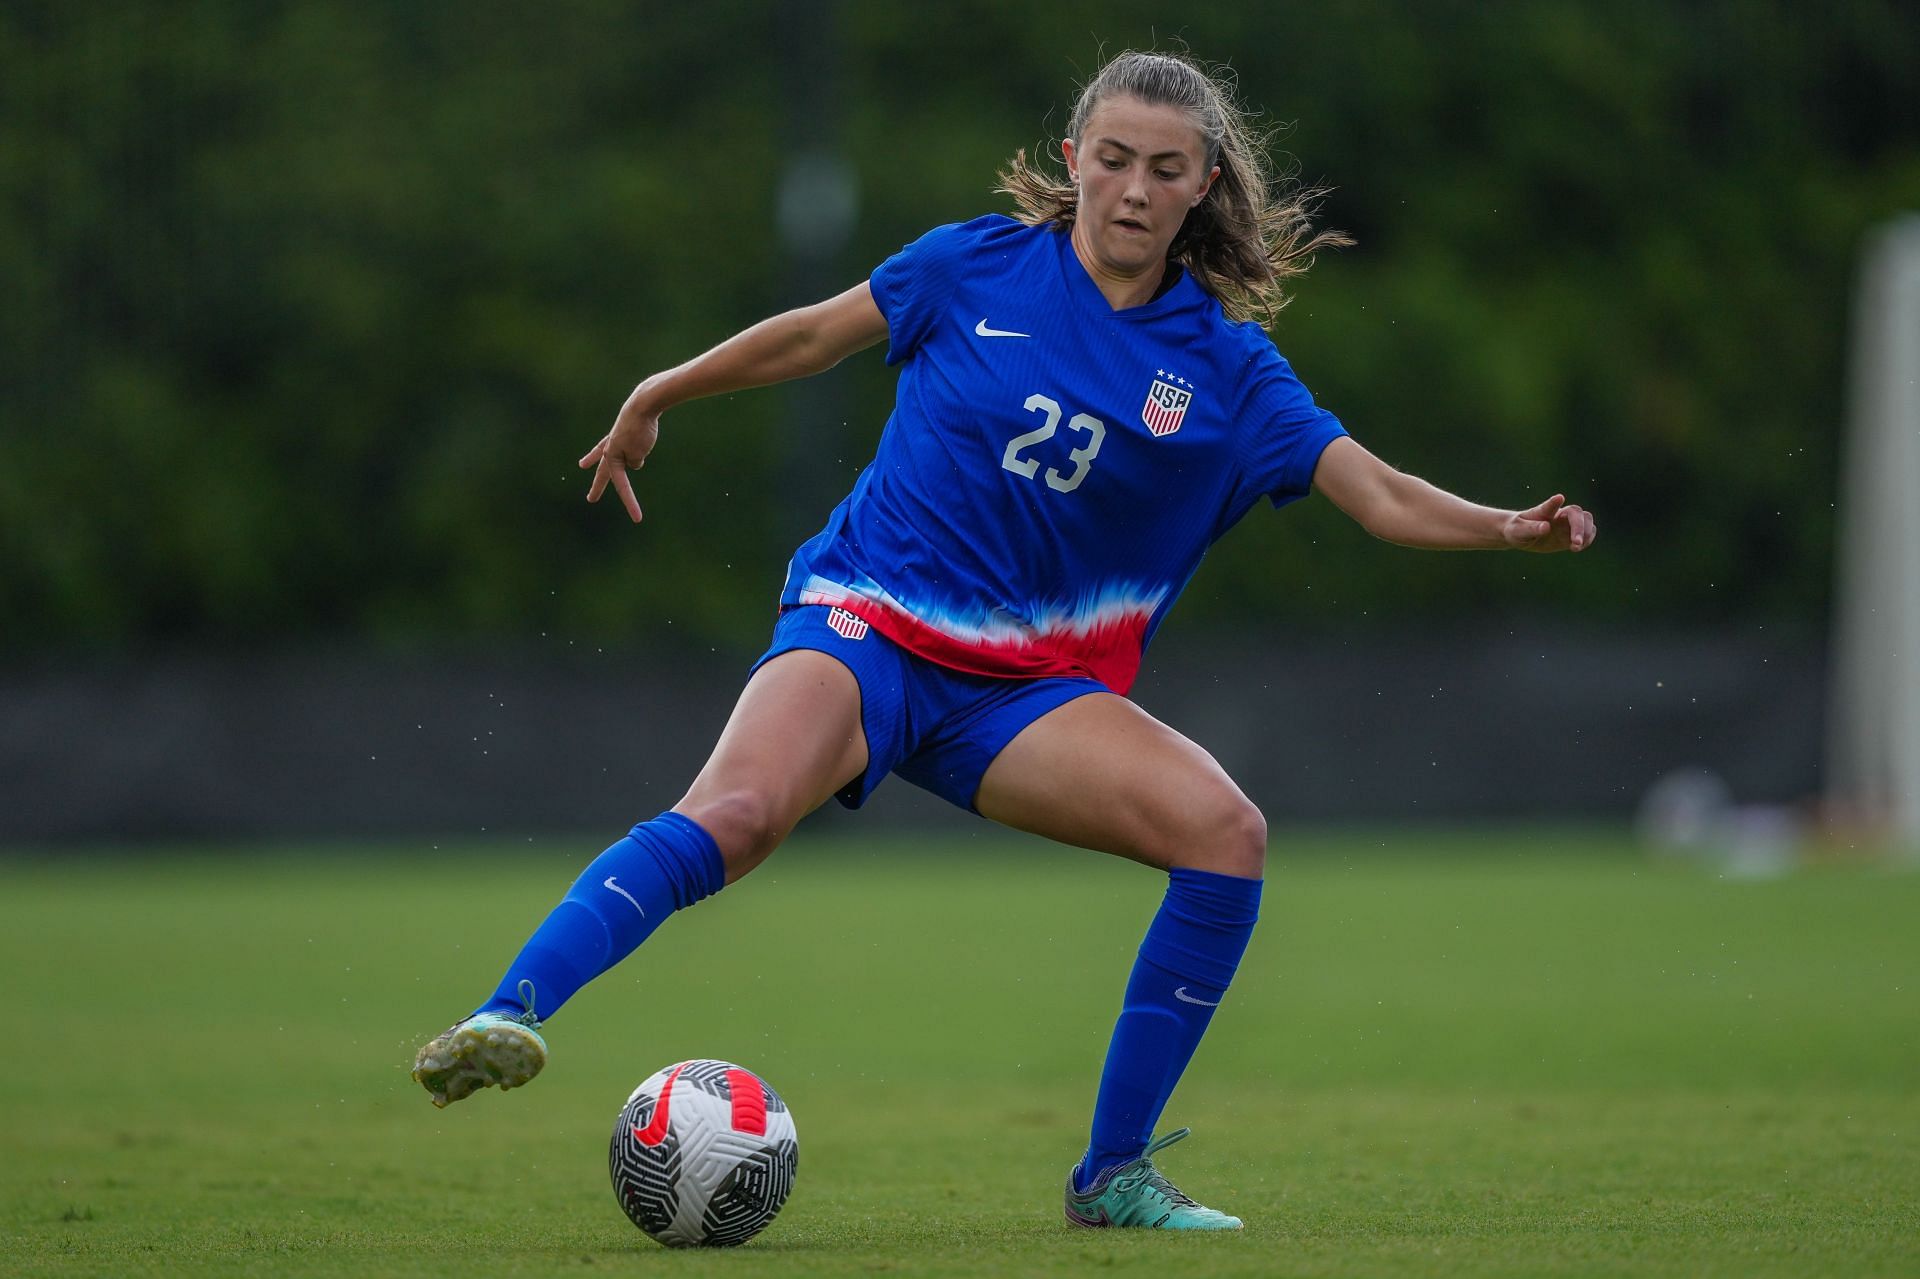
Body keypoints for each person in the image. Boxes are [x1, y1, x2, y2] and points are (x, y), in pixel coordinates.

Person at [412, 49, 1595, 1231]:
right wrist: (656, 393)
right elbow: (811, 339)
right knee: (739, 815)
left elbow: (1377, 495)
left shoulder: (1228, 371)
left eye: (1165, 169)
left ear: (1204, 185)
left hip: (1023, 694)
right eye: (1115, 159)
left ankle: (1113, 1175)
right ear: (1076, 161)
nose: (1133, 187)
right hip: (866, 622)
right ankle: (510, 1009)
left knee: (1226, 834)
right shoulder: (970, 266)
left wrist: (1506, 528)